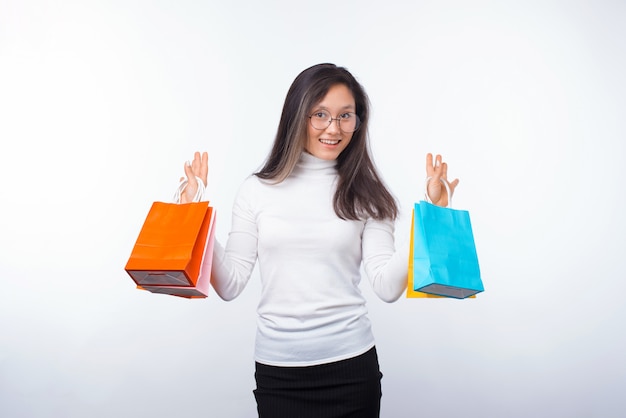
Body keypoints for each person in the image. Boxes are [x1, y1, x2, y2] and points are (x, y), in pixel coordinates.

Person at [178, 63, 458, 418]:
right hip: (279, 373)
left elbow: (387, 287)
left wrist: (432, 215)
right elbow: (230, 283)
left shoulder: (367, 195)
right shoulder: (256, 190)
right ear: (298, 116)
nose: (333, 128)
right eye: (321, 115)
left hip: (352, 370)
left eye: (346, 116)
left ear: (358, 123)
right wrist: (194, 214)